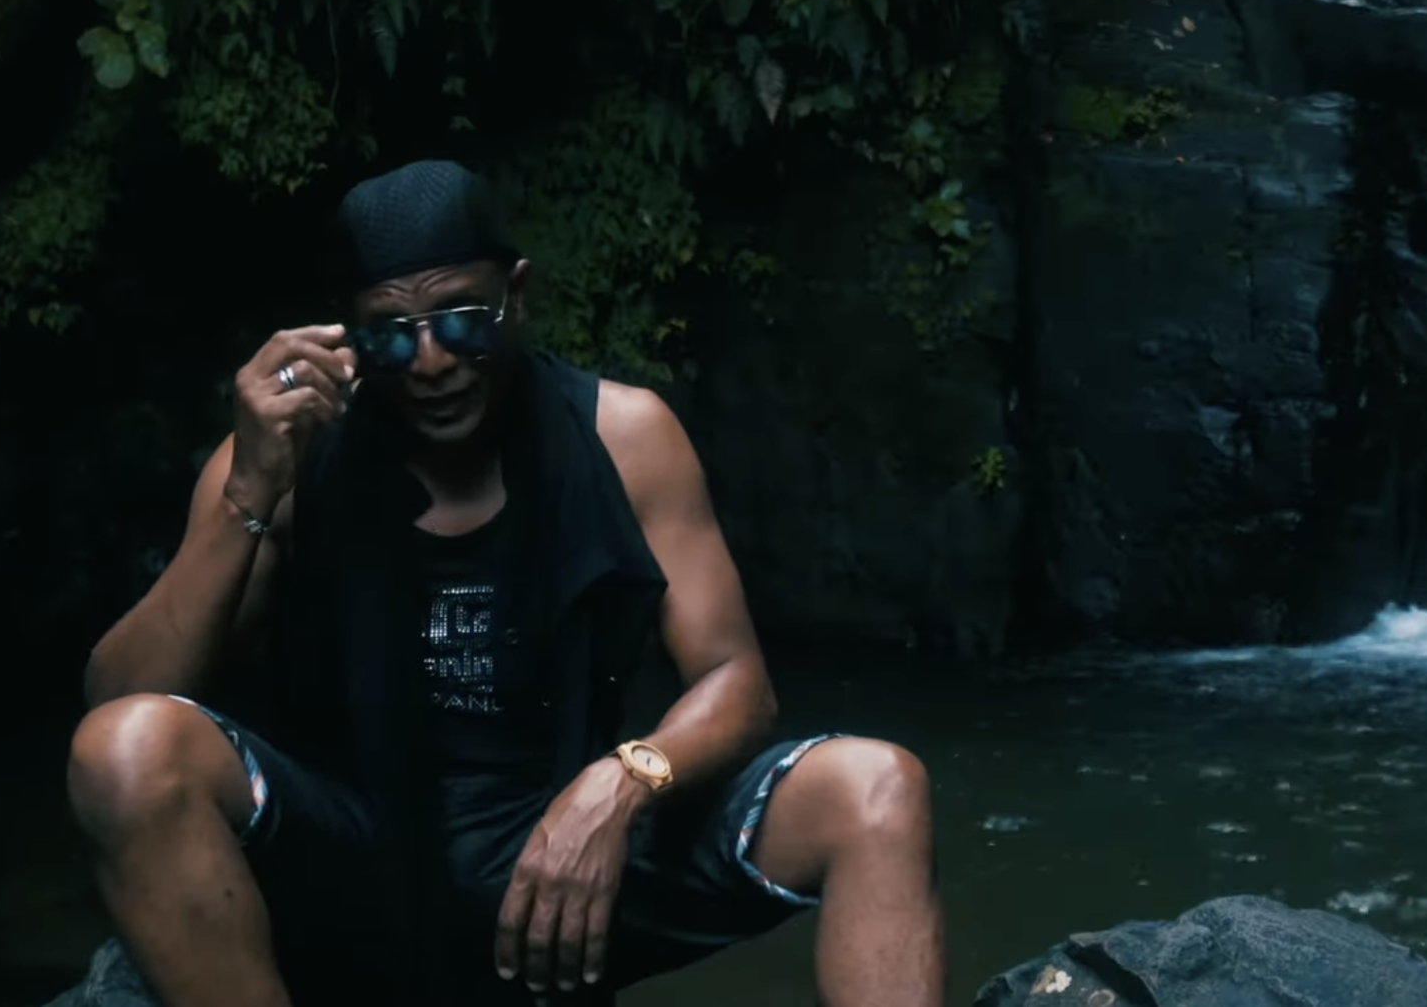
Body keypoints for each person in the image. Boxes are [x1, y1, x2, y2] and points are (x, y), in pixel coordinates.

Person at [66, 160, 943, 1007]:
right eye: (389, 334)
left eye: (461, 321)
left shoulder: (626, 438)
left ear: (517, 295)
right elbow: (121, 704)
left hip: (566, 864)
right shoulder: (284, 459)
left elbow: (737, 683)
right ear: (347, 338)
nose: (431, 362)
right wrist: (250, 495)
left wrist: (623, 783)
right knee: (126, 751)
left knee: (876, 789)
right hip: (354, 857)